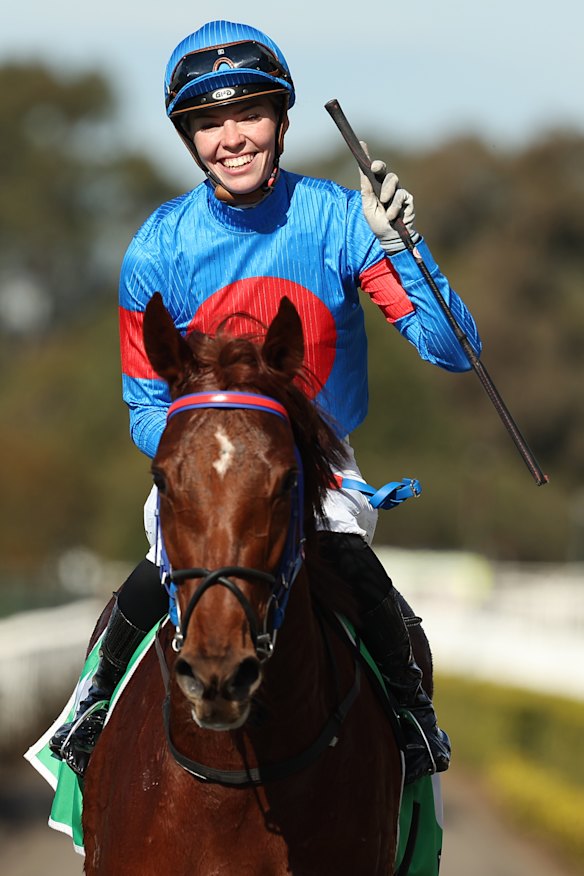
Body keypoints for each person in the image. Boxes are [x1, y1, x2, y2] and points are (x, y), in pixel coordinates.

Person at [50, 19, 481, 781]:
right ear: (189, 138)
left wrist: (402, 246)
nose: (232, 139)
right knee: (157, 564)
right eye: (209, 123)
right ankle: (88, 709)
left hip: (317, 468)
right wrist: (216, 462)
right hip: (203, 471)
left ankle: (413, 719)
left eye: (249, 114)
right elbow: (145, 409)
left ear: (281, 121)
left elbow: (452, 350)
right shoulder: (157, 247)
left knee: (349, 556)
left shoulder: (341, 221)